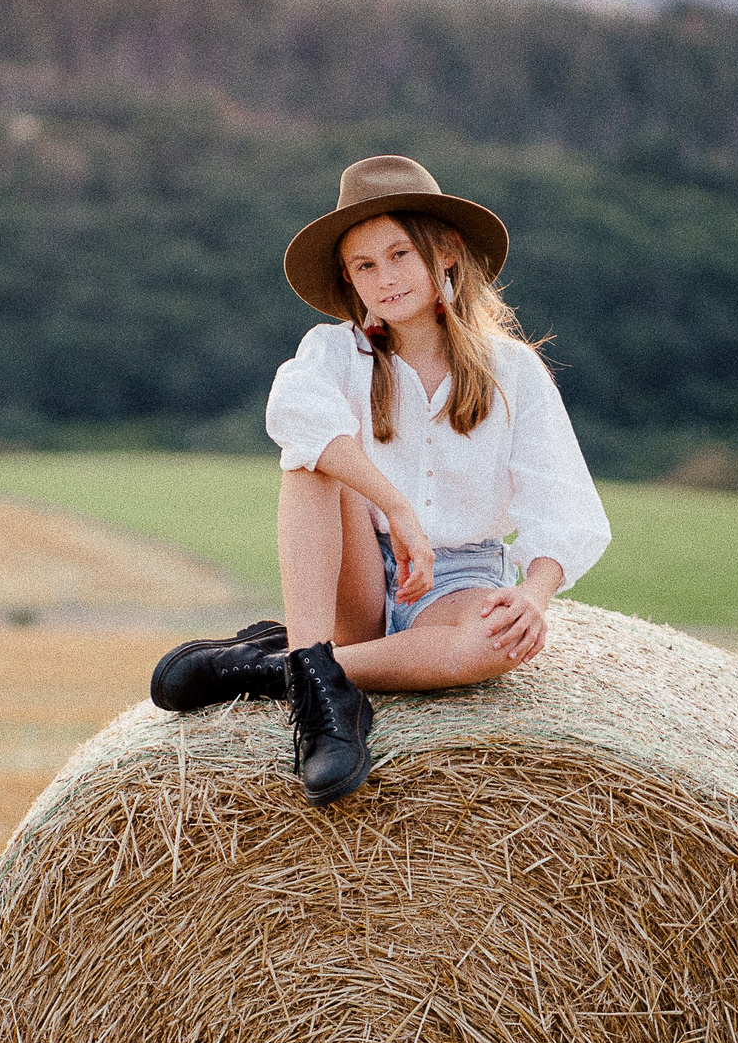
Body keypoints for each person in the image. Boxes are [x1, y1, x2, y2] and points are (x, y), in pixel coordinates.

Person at [150, 155, 612, 806]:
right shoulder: (334, 353)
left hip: (455, 582)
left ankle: (282, 668)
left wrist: (533, 596)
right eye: (365, 266)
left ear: (447, 252)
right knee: (309, 456)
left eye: (399, 254)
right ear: (349, 279)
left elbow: (564, 506)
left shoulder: (514, 372)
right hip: (362, 570)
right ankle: (320, 688)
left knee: (490, 646)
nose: (385, 278)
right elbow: (293, 413)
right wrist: (395, 508)